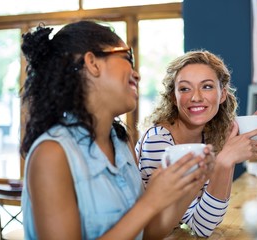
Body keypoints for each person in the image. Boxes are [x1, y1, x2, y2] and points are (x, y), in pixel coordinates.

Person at [20, 20, 213, 240]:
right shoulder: (51, 154)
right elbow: (145, 213)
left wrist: (190, 184)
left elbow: (146, 233)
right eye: (127, 58)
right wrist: (150, 201)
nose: (137, 74)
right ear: (93, 63)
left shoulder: (122, 143)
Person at [136, 50, 257, 237]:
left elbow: (204, 223)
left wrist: (228, 157)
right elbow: (199, 226)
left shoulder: (209, 137)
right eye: (184, 88)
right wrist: (224, 161)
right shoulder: (158, 140)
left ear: (222, 94)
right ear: (174, 98)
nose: (196, 97)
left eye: (206, 87)